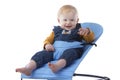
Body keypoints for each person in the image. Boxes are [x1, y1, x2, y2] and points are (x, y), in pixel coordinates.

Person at [16, 4, 94, 76]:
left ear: (77, 20)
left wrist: (87, 32)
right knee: (41, 54)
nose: (68, 22)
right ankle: (28, 68)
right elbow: (47, 40)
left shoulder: (80, 30)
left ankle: (57, 66)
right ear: (59, 21)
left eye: (72, 20)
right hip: (55, 51)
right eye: (65, 20)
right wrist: (47, 45)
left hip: (71, 49)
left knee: (70, 54)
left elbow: (90, 40)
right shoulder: (56, 31)